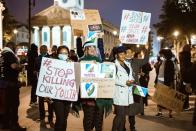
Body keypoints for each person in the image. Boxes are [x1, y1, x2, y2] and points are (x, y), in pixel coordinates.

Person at [80, 40, 113, 131]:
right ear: (85, 50)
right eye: (89, 47)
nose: (92, 49)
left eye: (93, 47)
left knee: (99, 121)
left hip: (100, 97)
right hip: (88, 97)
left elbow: (106, 77)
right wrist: (89, 65)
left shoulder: (100, 61)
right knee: (88, 120)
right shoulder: (81, 61)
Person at [0, 42, 26, 131]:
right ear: (12, 46)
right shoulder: (9, 54)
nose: (16, 49)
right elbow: (14, 66)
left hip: (4, 84)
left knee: (6, 105)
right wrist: (21, 66)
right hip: (11, 85)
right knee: (14, 105)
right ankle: (14, 125)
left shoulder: (2, 55)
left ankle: (5, 124)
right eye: (15, 47)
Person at [126, 47, 149, 131]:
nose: (128, 54)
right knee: (124, 109)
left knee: (134, 109)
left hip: (135, 87)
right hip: (124, 88)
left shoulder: (136, 61)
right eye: (127, 52)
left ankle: (132, 126)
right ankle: (122, 126)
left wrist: (146, 50)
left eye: (130, 53)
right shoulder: (120, 61)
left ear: (132, 54)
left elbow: (145, 60)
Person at [112, 44, 134, 131]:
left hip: (127, 94)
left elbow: (130, 76)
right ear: (116, 55)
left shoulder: (128, 64)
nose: (123, 55)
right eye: (120, 54)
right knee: (120, 115)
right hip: (119, 94)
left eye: (124, 54)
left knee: (123, 117)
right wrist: (125, 83)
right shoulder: (113, 65)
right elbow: (112, 79)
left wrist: (131, 80)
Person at [53, 45, 72, 131]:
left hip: (67, 97)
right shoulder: (53, 64)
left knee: (64, 119)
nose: (64, 55)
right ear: (58, 54)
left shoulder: (71, 64)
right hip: (57, 97)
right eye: (61, 53)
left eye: (66, 53)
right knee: (60, 119)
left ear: (68, 54)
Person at [34, 45, 54, 127]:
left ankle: (50, 119)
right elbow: (35, 69)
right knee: (41, 102)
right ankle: (42, 118)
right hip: (40, 83)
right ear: (39, 50)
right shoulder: (37, 58)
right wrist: (35, 72)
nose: (42, 50)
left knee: (50, 102)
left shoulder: (51, 58)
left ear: (47, 50)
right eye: (41, 49)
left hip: (49, 83)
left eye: (44, 49)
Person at [156, 49, 175, 118]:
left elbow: (171, 73)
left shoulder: (170, 62)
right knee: (159, 97)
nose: (160, 55)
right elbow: (158, 73)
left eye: (161, 54)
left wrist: (171, 83)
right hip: (160, 82)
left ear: (164, 54)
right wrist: (156, 82)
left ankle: (170, 113)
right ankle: (159, 112)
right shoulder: (161, 62)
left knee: (169, 98)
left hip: (167, 82)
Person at [179, 44, 192, 110]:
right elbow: (188, 64)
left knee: (183, 91)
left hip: (182, 75)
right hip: (186, 75)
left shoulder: (181, 55)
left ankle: (182, 105)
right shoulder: (187, 55)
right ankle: (185, 105)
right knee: (186, 91)